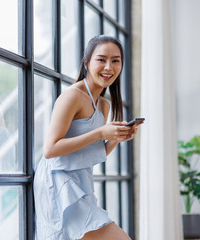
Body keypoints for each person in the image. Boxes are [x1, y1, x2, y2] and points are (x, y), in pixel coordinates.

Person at [34, 35, 143, 240]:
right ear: (86, 63)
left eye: (115, 60)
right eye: (101, 60)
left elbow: (90, 151)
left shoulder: (104, 105)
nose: (109, 67)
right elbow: (50, 149)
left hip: (79, 180)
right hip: (58, 181)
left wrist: (116, 137)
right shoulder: (72, 96)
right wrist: (100, 133)